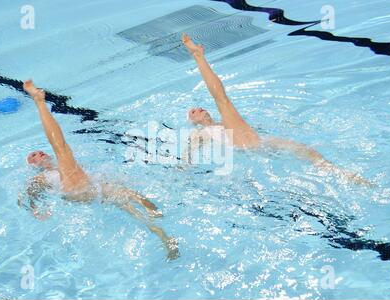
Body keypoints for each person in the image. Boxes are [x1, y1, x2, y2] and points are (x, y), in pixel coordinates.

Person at [18, 80, 179, 260]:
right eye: (33, 156)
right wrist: (34, 208)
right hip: (74, 190)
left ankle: (164, 236)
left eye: (39, 151)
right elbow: (29, 193)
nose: (38, 153)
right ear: (32, 166)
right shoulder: (42, 176)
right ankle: (39, 102)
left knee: (130, 198)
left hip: (91, 187)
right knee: (61, 147)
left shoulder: (68, 167)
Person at [181, 34, 371, 186]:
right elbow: (187, 155)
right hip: (242, 143)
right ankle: (198, 56)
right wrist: (182, 172)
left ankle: (338, 173)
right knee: (223, 101)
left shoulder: (223, 123)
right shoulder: (199, 133)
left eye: (197, 108)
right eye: (193, 112)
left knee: (302, 149)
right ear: (193, 121)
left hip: (259, 143)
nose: (197, 109)